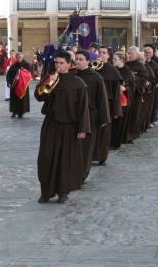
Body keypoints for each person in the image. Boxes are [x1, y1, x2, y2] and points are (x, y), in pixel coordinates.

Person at [35, 51, 90, 204]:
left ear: (69, 64)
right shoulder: (50, 78)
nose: (58, 66)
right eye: (56, 63)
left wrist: (82, 129)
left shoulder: (78, 83)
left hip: (69, 127)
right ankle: (46, 191)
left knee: (66, 160)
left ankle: (63, 192)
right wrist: (48, 83)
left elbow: (83, 108)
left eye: (61, 63)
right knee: (46, 158)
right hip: (51, 124)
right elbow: (39, 96)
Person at [75, 50, 110, 182]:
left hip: (90, 115)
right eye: (76, 59)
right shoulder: (72, 75)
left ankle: (83, 174)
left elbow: (102, 99)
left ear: (88, 61)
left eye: (81, 59)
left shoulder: (96, 77)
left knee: (86, 146)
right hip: (74, 115)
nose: (77, 62)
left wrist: (103, 118)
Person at [91, 46, 122, 165]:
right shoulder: (93, 69)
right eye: (99, 52)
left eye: (104, 53)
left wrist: (116, 110)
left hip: (107, 104)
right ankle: (91, 154)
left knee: (104, 132)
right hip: (94, 104)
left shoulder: (113, 71)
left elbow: (116, 93)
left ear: (109, 56)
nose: (101, 54)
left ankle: (101, 156)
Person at [110, 51, 135, 150]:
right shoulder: (112, 70)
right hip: (113, 99)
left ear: (122, 60)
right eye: (113, 59)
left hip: (122, 100)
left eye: (115, 59)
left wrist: (125, 88)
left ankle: (116, 142)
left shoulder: (127, 72)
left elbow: (132, 87)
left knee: (119, 122)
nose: (113, 61)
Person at [125, 46, 149, 142]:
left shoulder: (140, 66)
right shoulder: (125, 65)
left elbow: (144, 79)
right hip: (126, 93)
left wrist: (133, 79)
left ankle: (132, 135)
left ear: (136, 54)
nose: (129, 55)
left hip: (136, 94)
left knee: (134, 115)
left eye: (132, 54)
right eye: (129, 53)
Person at [5, 52, 31, 119]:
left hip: (23, 86)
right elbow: (8, 75)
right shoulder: (14, 66)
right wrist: (9, 82)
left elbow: (30, 74)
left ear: (22, 57)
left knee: (22, 99)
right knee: (14, 99)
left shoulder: (27, 65)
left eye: (20, 57)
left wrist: (26, 71)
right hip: (14, 85)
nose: (18, 59)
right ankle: (14, 111)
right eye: (17, 57)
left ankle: (21, 112)